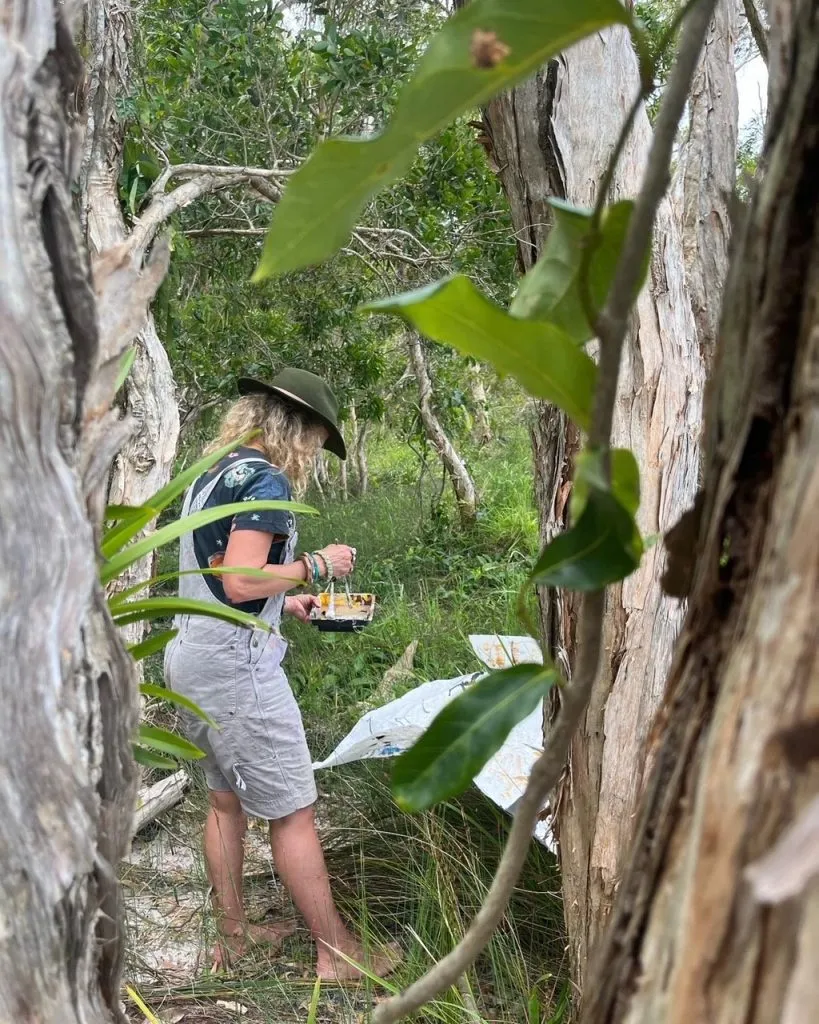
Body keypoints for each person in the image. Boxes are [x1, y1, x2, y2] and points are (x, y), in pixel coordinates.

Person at [164, 368, 394, 980]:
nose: (315, 456)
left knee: (224, 800)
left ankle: (234, 938)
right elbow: (240, 579)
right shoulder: (263, 479)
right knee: (293, 811)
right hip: (237, 669)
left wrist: (282, 602)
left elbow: (217, 576)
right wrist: (314, 565)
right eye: (318, 441)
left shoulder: (213, 472)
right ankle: (338, 954)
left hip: (192, 653)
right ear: (298, 429)